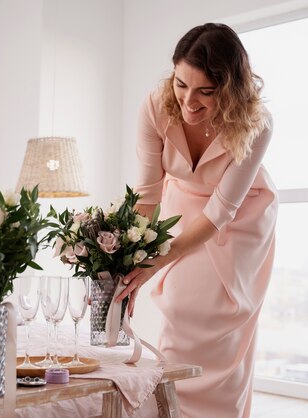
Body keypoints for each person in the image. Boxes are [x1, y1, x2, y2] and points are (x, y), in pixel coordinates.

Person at [116, 23, 278, 418]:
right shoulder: (156, 106)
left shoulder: (257, 124)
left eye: (206, 91)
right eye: (181, 84)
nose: (189, 101)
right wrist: (131, 262)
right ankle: (171, 406)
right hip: (183, 204)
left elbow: (221, 212)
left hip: (239, 217)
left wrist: (155, 264)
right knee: (180, 307)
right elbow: (147, 195)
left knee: (219, 321)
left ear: (231, 90)